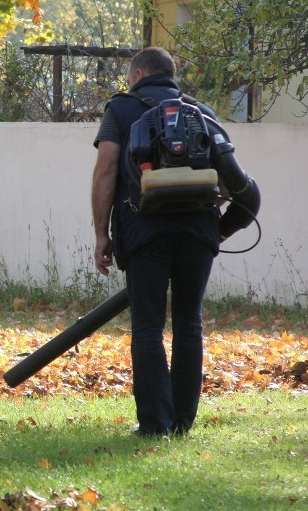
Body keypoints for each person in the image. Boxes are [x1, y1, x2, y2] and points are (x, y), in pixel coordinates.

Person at [91, 47, 220, 437]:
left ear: (139, 73)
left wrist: (102, 233)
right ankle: (183, 421)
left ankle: (155, 424)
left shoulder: (122, 109)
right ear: (171, 74)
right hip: (197, 232)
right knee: (188, 323)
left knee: (148, 326)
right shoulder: (201, 111)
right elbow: (227, 176)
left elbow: (106, 170)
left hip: (144, 230)